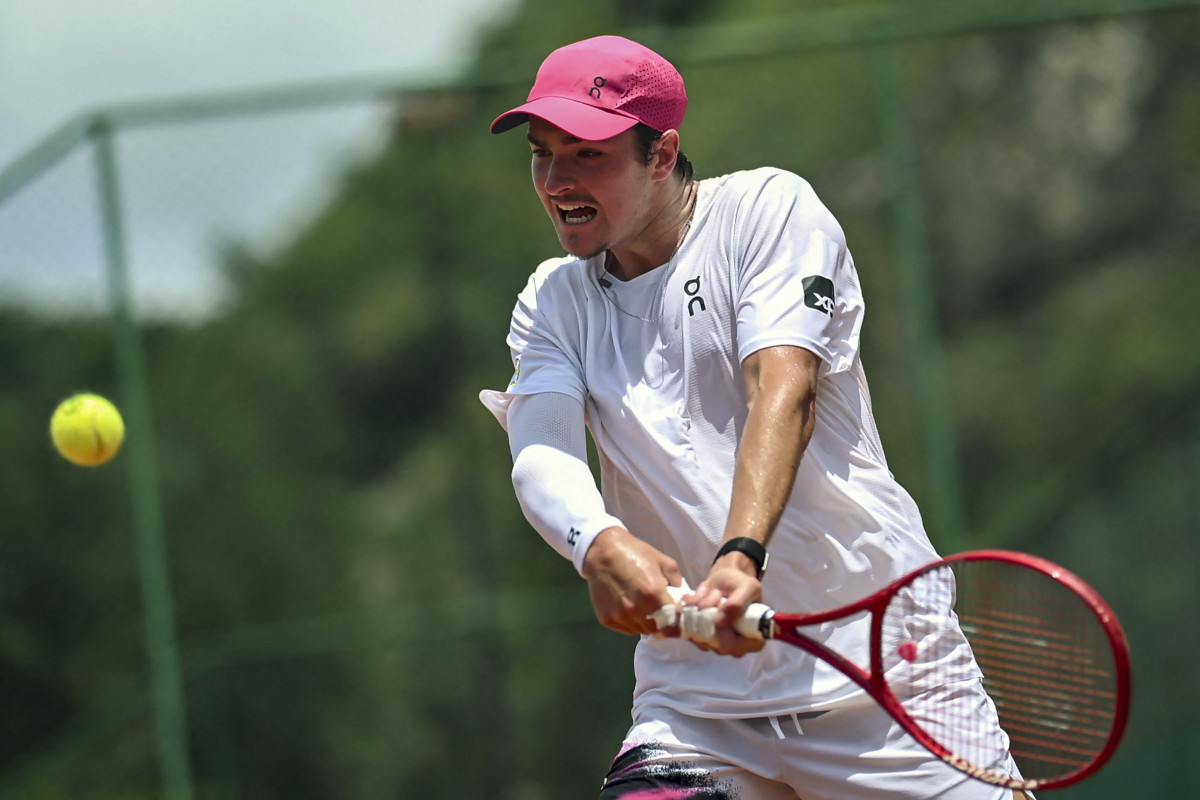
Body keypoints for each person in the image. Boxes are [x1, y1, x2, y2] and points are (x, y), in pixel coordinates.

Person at [480, 35, 1028, 800]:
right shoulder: (552, 300)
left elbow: (785, 386)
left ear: (662, 154)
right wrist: (596, 542)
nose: (556, 180)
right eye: (543, 154)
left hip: (883, 668)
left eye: (587, 154)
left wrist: (740, 557)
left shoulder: (768, 210)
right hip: (696, 704)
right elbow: (541, 453)